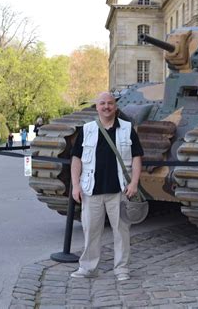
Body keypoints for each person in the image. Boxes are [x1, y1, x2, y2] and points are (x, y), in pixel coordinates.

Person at [70, 92, 144, 281]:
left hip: (119, 190)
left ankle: (121, 269)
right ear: (97, 107)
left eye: (110, 103)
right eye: (102, 103)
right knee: (91, 231)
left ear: (115, 106)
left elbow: (137, 157)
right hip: (91, 189)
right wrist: (75, 185)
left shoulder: (127, 129)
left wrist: (134, 183)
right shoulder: (87, 129)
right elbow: (76, 158)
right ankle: (88, 268)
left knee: (121, 232)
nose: (106, 107)